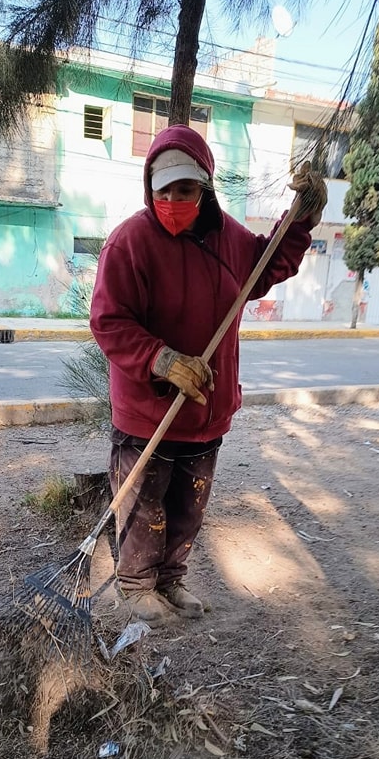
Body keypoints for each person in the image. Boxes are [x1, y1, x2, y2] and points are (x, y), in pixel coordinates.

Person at [90, 124, 326, 625]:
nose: (174, 199)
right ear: (150, 189)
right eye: (165, 189)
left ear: (206, 188)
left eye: (186, 188)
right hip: (148, 414)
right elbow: (108, 321)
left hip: (205, 412)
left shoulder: (228, 238)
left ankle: (171, 581)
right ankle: (135, 587)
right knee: (142, 504)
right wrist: (162, 359)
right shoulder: (129, 242)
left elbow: (267, 263)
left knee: (187, 509)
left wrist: (301, 220)